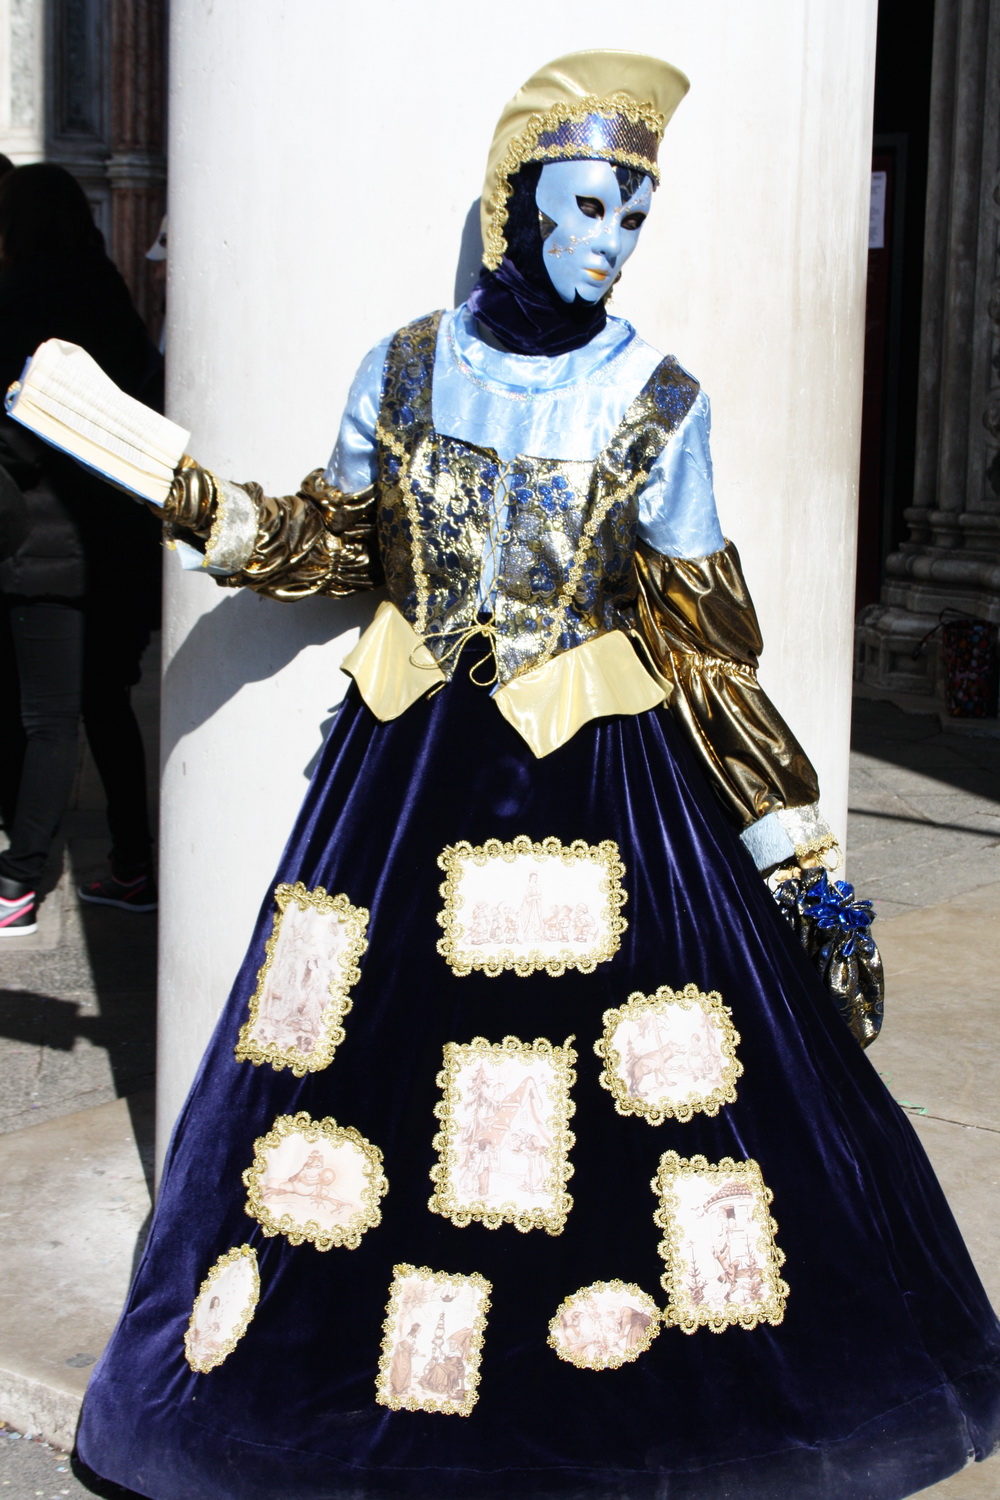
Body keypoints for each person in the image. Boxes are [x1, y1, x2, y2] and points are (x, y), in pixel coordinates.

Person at [75, 51, 999, 1500]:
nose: (612, 243)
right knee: (356, 1096)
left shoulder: (659, 399)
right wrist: (195, 499)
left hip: (600, 789)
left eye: (634, 217)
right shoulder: (404, 366)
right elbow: (338, 536)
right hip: (405, 787)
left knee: (632, 1125)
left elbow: (705, 647)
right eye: (586, 208)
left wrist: (800, 863)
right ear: (515, 204)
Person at [0, 164, 162, 934]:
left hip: (43, 541)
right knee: (105, 705)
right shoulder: (110, 299)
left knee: (46, 717)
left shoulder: (17, 305)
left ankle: (17, 882)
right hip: (118, 542)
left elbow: (17, 444)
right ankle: (134, 864)